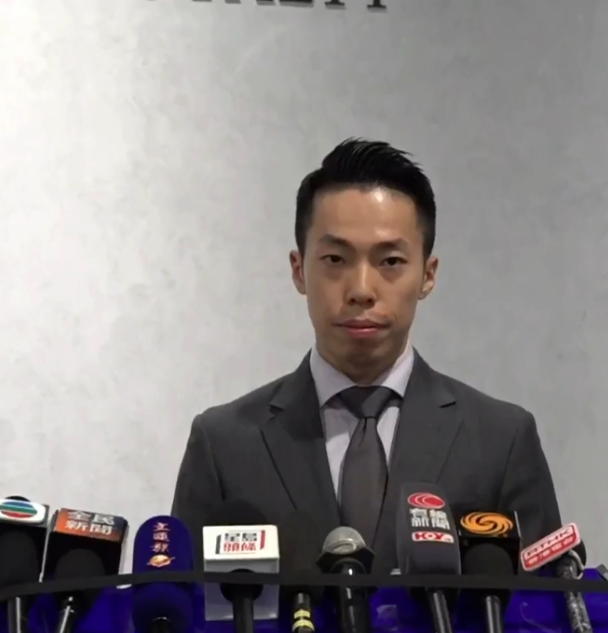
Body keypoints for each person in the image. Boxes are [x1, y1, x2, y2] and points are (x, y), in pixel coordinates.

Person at [170, 138, 562, 572]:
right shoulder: (223, 444)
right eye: (335, 259)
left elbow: (547, 608)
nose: (361, 290)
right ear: (299, 270)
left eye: (390, 261)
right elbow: (179, 609)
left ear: (428, 275)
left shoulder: (501, 441)